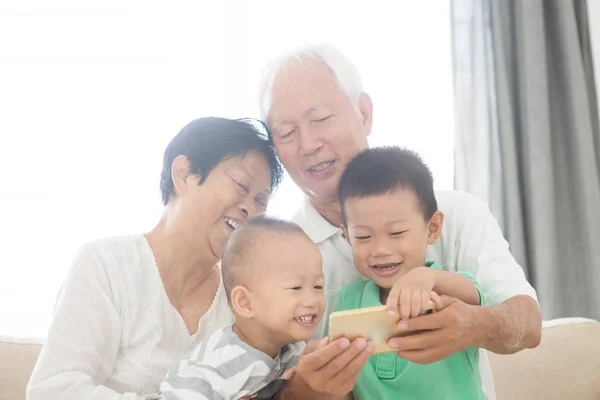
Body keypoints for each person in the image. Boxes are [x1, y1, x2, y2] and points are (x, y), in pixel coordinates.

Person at [259, 44, 542, 399]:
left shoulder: (455, 213)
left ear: (363, 113)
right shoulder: (276, 253)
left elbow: (529, 326)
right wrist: (301, 391)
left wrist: (472, 325)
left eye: (320, 118)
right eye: (286, 133)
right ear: (348, 235)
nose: (309, 144)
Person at [26, 117, 283, 399]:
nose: (250, 209)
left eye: (261, 200)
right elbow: (52, 390)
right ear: (184, 174)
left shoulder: (243, 296)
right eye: (241, 186)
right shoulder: (104, 266)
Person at [336, 146, 487, 399]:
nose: (381, 250)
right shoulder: (348, 300)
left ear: (432, 228)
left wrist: (425, 278)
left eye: (396, 233)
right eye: (363, 236)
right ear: (347, 237)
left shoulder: (444, 287)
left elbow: (474, 296)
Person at [158, 215, 325, 400]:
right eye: (296, 288)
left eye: (318, 286)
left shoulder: (291, 349)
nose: (312, 300)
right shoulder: (224, 363)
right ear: (245, 302)